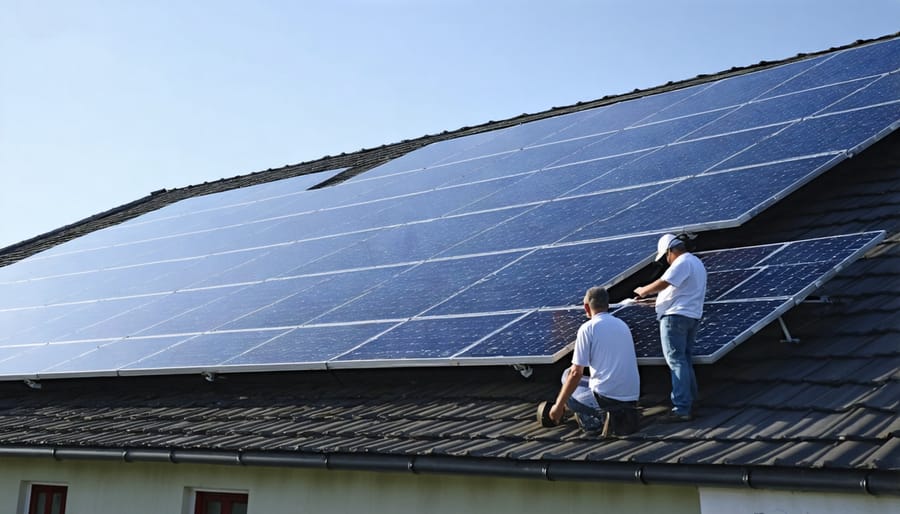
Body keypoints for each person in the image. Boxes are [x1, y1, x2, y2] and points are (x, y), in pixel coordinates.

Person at [634, 233, 707, 422]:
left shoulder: (682, 262)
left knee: (676, 361)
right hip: (691, 316)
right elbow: (679, 291)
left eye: (666, 256)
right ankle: (691, 402)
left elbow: (664, 282)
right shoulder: (696, 263)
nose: (667, 261)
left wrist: (643, 290)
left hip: (675, 318)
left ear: (671, 250)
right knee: (684, 360)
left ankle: (682, 407)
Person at [549, 286, 640, 434]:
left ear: (586, 306)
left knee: (566, 376)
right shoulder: (622, 325)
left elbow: (575, 373)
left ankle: (593, 421)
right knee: (573, 377)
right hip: (631, 398)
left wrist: (558, 406)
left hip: (607, 399)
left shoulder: (588, 328)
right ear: (607, 305)